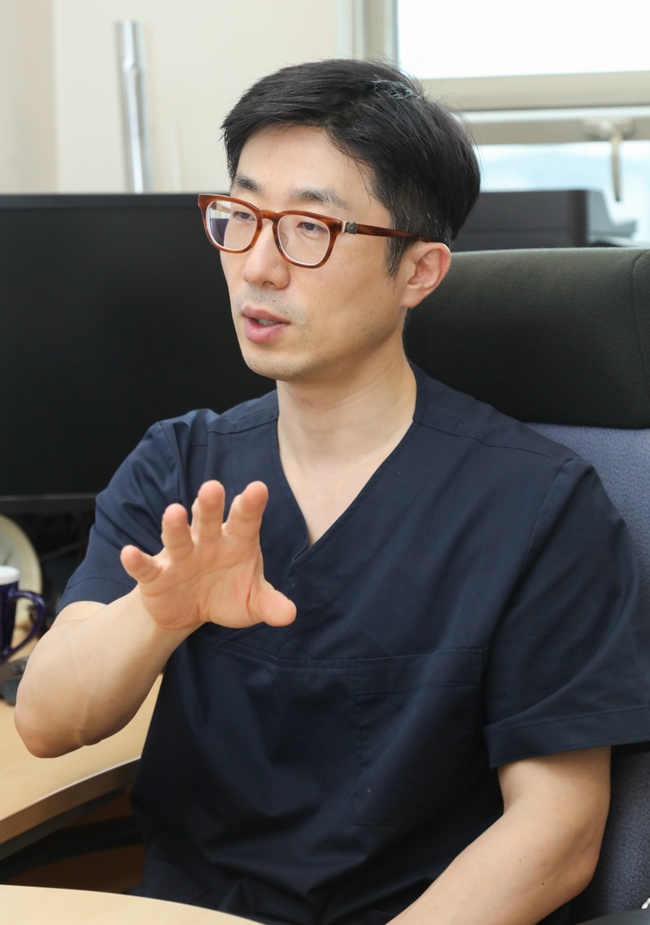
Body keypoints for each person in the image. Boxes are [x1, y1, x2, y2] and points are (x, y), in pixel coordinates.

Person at [15, 58, 650, 925]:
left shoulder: (538, 506)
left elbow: (557, 832)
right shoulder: (182, 464)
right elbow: (47, 721)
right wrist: (159, 615)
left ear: (419, 271)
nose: (258, 267)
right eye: (241, 216)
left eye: (309, 228)